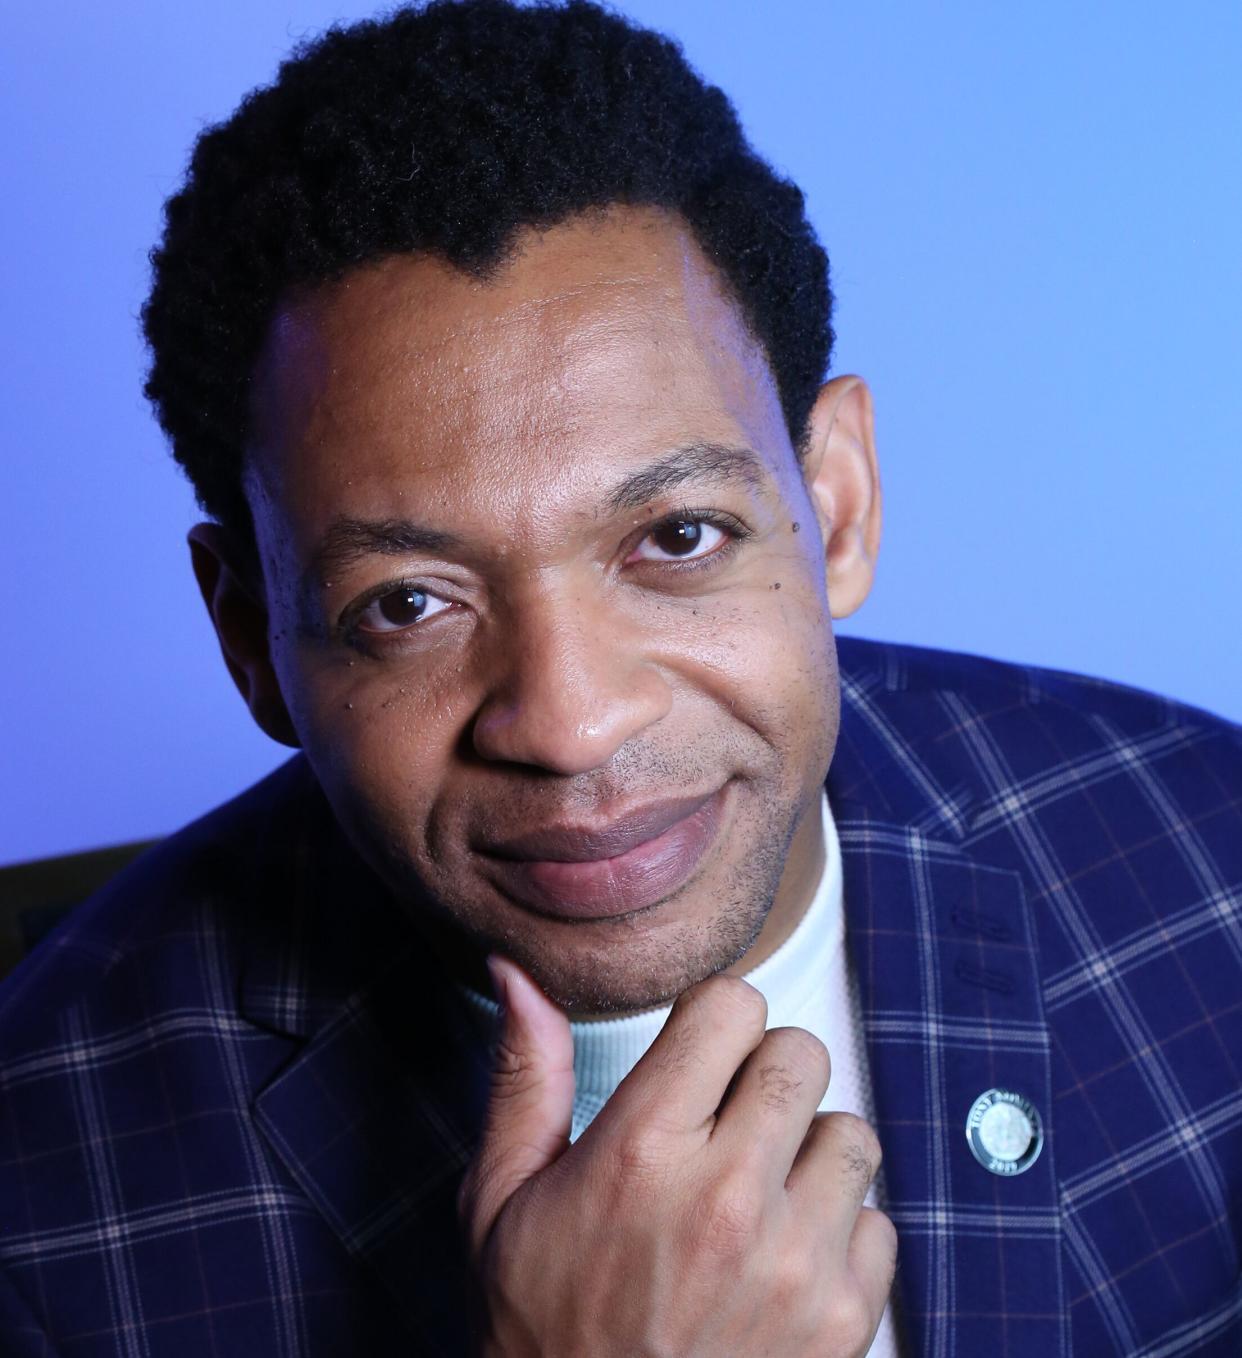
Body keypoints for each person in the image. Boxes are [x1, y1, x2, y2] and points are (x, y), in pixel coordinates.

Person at [1, 1, 1239, 1354]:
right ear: (251, 640)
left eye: (676, 538)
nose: (573, 723)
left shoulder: (1208, 862)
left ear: (831, 508)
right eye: (407, 603)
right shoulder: (40, 1195)